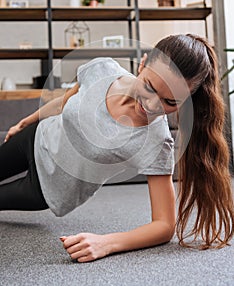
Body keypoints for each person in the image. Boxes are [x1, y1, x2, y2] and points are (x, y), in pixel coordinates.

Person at [0, 34, 233, 263]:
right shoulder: (103, 70)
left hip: (46, 187)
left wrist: (107, 243)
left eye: (170, 102)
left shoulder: (157, 142)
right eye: (150, 87)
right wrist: (27, 121)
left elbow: (164, 225)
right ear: (142, 64)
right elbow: (66, 100)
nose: (152, 105)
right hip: (34, 138)